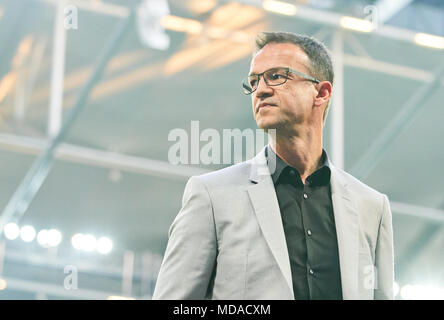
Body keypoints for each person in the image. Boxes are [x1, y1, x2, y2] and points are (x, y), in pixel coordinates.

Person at [152, 31, 394, 300]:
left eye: (277, 76)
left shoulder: (372, 207)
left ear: (321, 92)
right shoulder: (211, 196)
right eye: (254, 81)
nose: (261, 90)